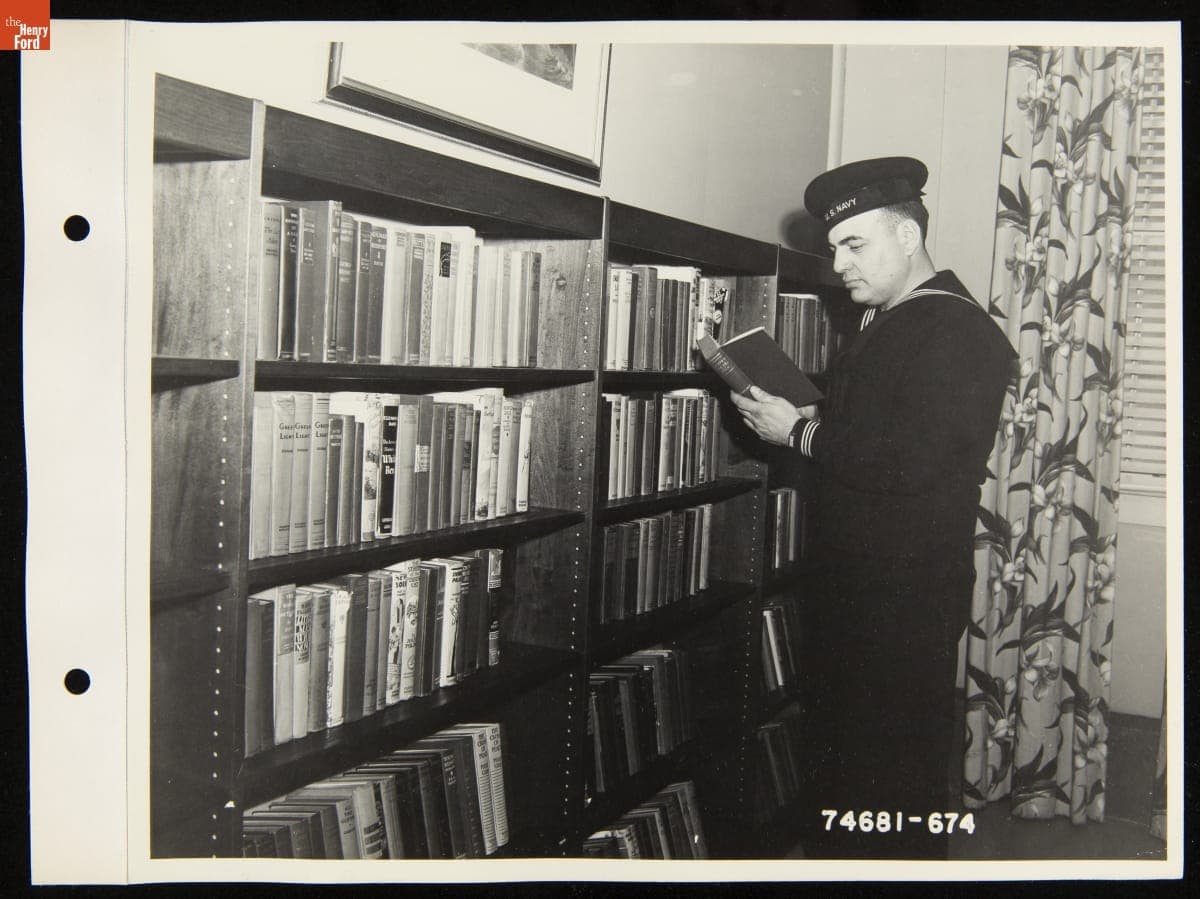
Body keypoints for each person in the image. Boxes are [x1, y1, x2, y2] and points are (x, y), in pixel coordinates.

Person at [731, 156, 1016, 859]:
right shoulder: (886, 322)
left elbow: (911, 462)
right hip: (856, 586)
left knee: (895, 782)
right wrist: (804, 414)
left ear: (909, 237)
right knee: (849, 768)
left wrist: (797, 429)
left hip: (902, 598)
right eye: (834, 248)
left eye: (855, 244)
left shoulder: (954, 329)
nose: (839, 264)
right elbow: (865, 437)